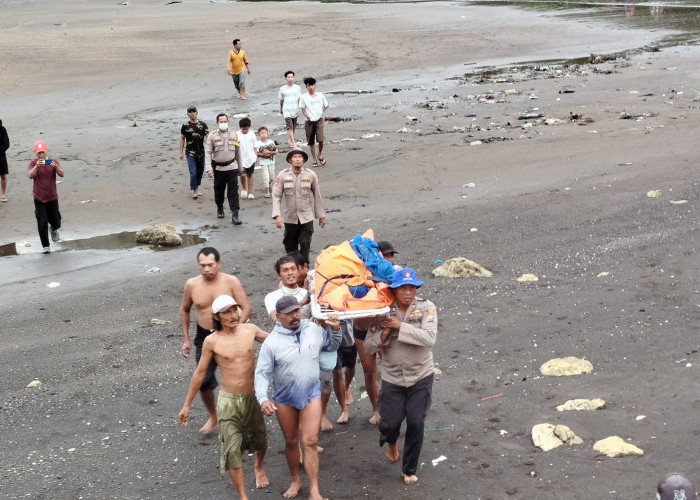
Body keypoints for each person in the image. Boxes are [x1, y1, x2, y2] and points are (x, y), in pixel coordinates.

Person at [178, 295, 269, 499]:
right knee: (231, 450)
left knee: (260, 440)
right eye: (226, 312)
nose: (233, 315)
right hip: (228, 401)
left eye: (234, 309)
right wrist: (186, 406)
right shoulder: (212, 341)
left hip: (252, 397)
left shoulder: (250, 330)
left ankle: (258, 467)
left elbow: (276, 341)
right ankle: (243, 496)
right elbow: (200, 373)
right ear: (217, 317)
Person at [255, 296, 341, 500]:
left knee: (310, 441)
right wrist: (262, 398)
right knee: (292, 441)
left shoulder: (312, 329)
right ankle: (295, 480)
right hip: (284, 397)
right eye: (289, 313)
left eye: (297, 311)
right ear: (278, 316)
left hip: (311, 392)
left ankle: (314, 490)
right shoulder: (271, 343)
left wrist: (336, 329)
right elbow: (261, 373)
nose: (295, 316)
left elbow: (331, 345)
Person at [364, 268, 437, 485]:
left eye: (411, 288)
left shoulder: (427, 308)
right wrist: (385, 333)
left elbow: (429, 338)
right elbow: (368, 347)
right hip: (393, 378)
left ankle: (409, 468)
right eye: (402, 288)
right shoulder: (381, 312)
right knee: (389, 424)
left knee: (416, 421)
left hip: (421, 375)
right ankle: (391, 440)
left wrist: (400, 326)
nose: (407, 292)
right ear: (393, 290)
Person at [179, 247, 252, 434]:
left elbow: (245, 308)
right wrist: (186, 339)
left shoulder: (231, 281)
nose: (206, 269)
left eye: (210, 265)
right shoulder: (192, 284)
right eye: (202, 265)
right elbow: (185, 309)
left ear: (218, 264)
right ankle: (214, 415)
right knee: (204, 380)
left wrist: (237, 327)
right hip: (205, 335)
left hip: (232, 332)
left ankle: (242, 414)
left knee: (238, 376)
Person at [272, 149, 326, 264]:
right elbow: (276, 195)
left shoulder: (310, 175)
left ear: (304, 160)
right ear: (290, 160)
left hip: (306, 217)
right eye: (295, 157)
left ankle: (304, 267)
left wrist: (321, 216)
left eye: (300, 157)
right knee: (290, 246)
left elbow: (317, 195)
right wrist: (277, 215)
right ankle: (294, 267)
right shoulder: (283, 175)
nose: (297, 159)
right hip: (290, 218)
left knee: (305, 243)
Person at [205, 113, 243, 224]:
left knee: (233, 192)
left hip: (232, 167)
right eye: (221, 121)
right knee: (219, 190)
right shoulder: (212, 136)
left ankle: (235, 214)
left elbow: (238, 152)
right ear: (217, 122)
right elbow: (207, 153)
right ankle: (220, 207)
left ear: (228, 122)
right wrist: (209, 169)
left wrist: (240, 168)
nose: (223, 123)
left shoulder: (234, 135)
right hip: (218, 168)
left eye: (225, 121)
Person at [27, 141, 64, 254]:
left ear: (46, 151)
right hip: (39, 197)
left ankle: (53, 228)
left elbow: (62, 174)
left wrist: (56, 167)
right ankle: (46, 246)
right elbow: (30, 175)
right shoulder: (33, 163)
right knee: (41, 221)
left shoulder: (53, 162)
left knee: (56, 221)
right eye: (39, 153)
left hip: (52, 196)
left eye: (42, 152)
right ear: (35, 153)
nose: (41, 155)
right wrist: (37, 167)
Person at [265, 254, 310, 323]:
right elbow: (276, 320)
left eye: (293, 269)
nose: (290, 273)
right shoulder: (272, 296)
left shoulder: (306, 294)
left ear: (298, 272)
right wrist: (302, 303)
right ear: (279, 276)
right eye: (285, 270)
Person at [179, 106, 209, 199]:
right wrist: (181, 152)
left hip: (201, 152)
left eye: (193, 111)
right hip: (190, 153)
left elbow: (208, 138)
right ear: (187, 114)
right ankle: (194, 190)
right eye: (190, 112)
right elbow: (182, 138)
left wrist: (210, 150)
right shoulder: (185, 126)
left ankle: (197, 187)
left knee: (200, 171)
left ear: (197, 113)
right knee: (193, 172)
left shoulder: (203, 125)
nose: (192, 113)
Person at [298, 77, 329, 167]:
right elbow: (303, 109)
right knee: (311, 141)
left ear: (314, 85)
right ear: (306, 86)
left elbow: (326, 105)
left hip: (319, 120)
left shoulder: (320, 95)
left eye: (312, 85)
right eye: (309, 85)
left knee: (320, 139)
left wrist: (320, 111)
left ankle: (320, 154)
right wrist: (309, 116)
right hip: (309, 121)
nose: (311, 87)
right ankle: (314, 159)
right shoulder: (303, 97)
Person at [279, 71, 302, 148]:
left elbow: (299, 99)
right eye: (288, 77)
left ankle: (290, 140)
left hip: (295, 109)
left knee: (294, 127)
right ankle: (294, 143)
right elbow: (281, 100)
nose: (290, 79)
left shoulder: (297, 87)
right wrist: (281, 109)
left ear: (294, 77)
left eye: (291, 77)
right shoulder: (282, 89)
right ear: (286, 78)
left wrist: (299, 109)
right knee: (290, 126)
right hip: (287, 109)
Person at [237, 117, 257, 200]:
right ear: (240, 127)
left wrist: (256, 156)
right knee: (242, 174)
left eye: (247, 129)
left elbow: (255, 146)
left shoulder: (252, 134)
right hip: (241, 158)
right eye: (243, 129)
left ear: (249, 127)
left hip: (251, 157)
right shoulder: (236, 134)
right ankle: (244, 188)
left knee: (250, 175)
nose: (245, 130)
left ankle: (250, 192)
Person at [255, 126, 277, 199]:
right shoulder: (257, 143)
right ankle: (267, 191)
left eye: (265, 133)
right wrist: (263, 154)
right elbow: (257, 153)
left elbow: (276, 151)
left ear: (267, 133)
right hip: (263, 162)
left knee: (272, 177)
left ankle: (269, 186)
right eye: (262, 133)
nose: (263, 134)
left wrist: (269, 152)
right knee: (266, 177)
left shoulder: (271, 142)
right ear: (259, 134)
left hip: (271, 162)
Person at [0, 119, 9, 202]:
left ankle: (3, 194)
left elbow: (7, 144)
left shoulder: (2, 129)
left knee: (3, 175)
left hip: (1, 156)